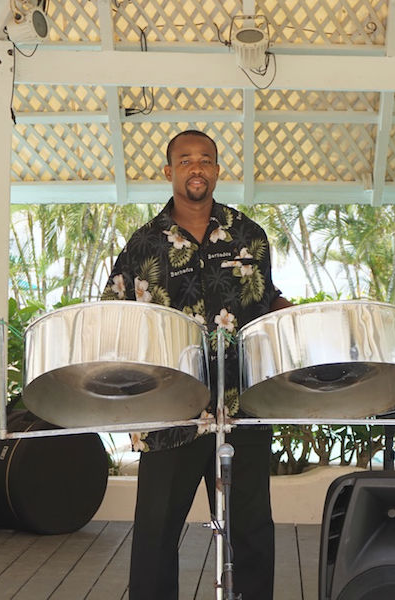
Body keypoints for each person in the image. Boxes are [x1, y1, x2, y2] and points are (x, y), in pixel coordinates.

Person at [101, 129, 291, 599]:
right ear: (169, 172)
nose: (196, 167)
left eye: (205, 159)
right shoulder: (144, 244)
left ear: (217, 170)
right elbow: (114, 315)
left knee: (250, 532)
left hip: (241, 408)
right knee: (155, 536)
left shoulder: (249, 236)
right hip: (170, 413)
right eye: (185, 160)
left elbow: (267, 306)